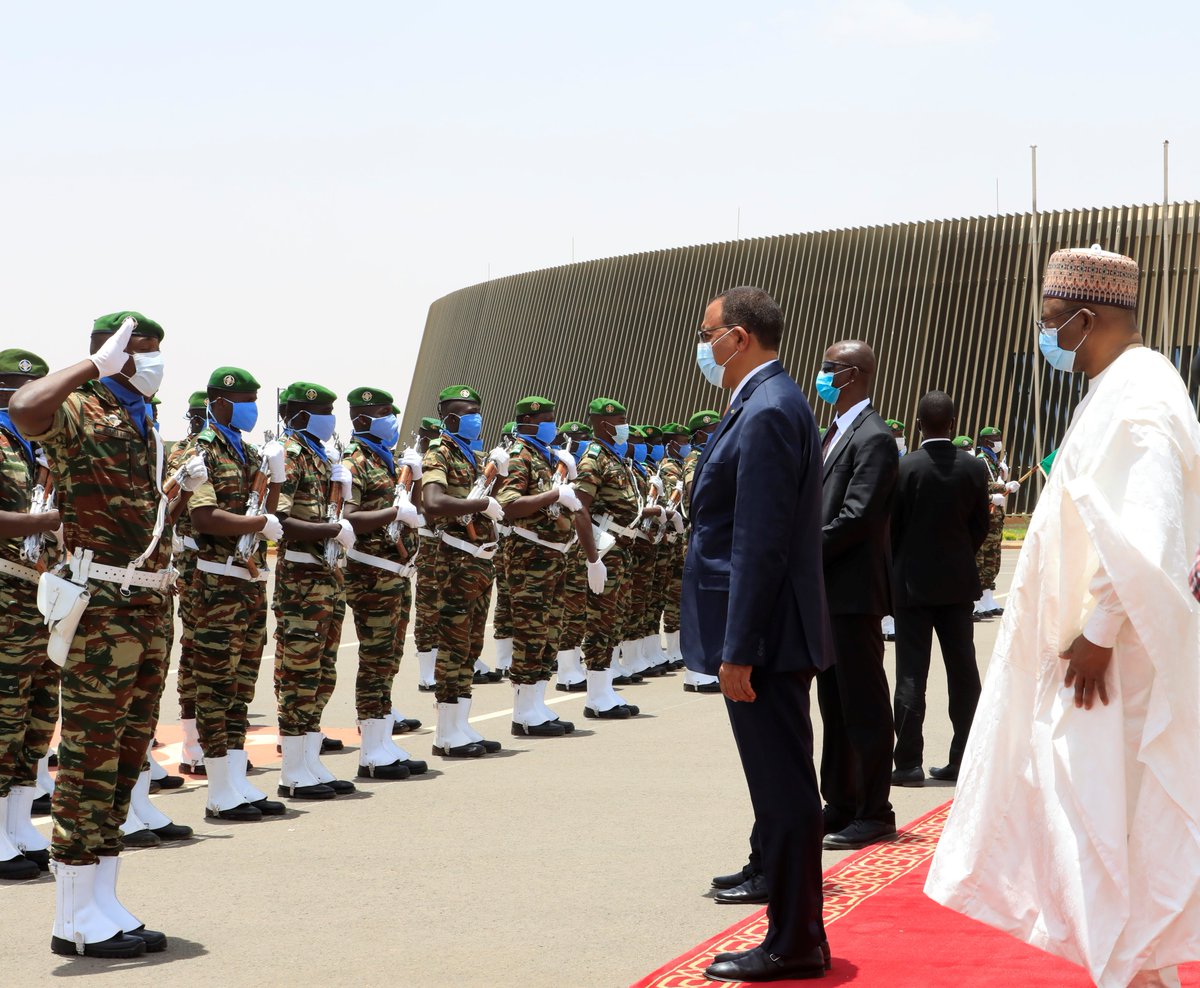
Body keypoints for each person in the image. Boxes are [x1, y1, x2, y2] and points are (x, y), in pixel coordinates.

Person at [926, 245, 1200, 987]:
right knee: (1104, 828)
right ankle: (1140, 974)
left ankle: (1133, 976)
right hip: (1101, 654)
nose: (1048, 338)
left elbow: (1148, 533)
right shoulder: (1122, 385)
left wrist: (1100, 634)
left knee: (1103, 827)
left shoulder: (1140, 396)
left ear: (1086, 316)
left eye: (1053, 322)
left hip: (1112, 665)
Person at [13, 313, 206, 958]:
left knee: (124, 759)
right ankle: (72, 918)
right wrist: (94, 365)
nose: (151, 363)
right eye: (140, 352)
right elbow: (25, 405)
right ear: (113, 354)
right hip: (101, 607)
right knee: (89, 756)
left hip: (148, 603)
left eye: (155, 352)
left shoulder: (145, 420)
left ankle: (102, 898)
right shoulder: (81, 408)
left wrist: (174, 497)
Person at [683, 286, 834, 983]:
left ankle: (796, 940)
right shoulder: (759, 402)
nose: (702, 344)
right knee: (778, 784)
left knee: (783, 787)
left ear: (738, 337)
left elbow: (760, 541)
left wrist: (738, 648)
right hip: (765, 631)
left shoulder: (770, 409)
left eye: (707, 332)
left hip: (765, 637)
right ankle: (790, 925)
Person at [186, 367, 287, 820]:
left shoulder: (246, 451)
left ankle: (236, 777)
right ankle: (218, 791)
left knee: (241, 686)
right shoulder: (199, 451)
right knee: (215, 686)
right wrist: (257, 524)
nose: (252, 409)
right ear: (220, 402)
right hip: (214, 584)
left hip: (246, 583)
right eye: (245, 400)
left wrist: (277, 481)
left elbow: (266, 510)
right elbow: (203, 517)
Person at [814, 340, 899, 851]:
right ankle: (841, 802)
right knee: (835, 707)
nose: (821, 376)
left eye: (830, 368)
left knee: (864, 705)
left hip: (853, 592)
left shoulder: (875, 437)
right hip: (828, 592)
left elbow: (858, 516)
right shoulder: (835, 432)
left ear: (853, 375)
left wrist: (801, 551)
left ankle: (875, 809)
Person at [889, 391, 989, 787]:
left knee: (911, 672)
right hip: (959, 584)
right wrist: (961, 554)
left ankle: (909, 762)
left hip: (913, 585)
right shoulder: (973, 467)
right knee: (963, 672)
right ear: (953, 423)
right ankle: (963, 757)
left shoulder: (905, 468)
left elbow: (892, 528)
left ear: (917, 424)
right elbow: (980, 524)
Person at [273, 381, 356, 799]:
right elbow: (279, 521)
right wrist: (332, 529)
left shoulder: (321, 457)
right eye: (325, 412)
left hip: (327, 579)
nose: (331, 420)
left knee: (322, 674)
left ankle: (309, 760)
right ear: (302, 415)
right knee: (299, 675)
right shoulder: (289, 453)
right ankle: (292, 770)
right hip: (302, 580)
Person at [340, 387, 427, 779]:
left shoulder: (387, 461)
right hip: (371, 574)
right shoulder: (354, 463)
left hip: (395, 574)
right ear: (361, 420)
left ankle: (383, 737)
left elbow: (415, 513)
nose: (391, 420)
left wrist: (418, 482)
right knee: (375, 660)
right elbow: (349, 518)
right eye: (382, 413)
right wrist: (396, 510)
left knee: (389, 659)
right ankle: (371, 751)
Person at [0, 349, 61, 881]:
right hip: (3, 592)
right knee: (1, 713)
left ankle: (16, 823)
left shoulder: (39, 446)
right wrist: (43, 519)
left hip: (41, 594)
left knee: (37, 712)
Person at [421, 385, 506, 757]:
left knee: (471, 644)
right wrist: (481, 502)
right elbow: (433, 503)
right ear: (451, 419)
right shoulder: (438, 452)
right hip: (454, 561)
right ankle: (445, 733)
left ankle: (461, 724)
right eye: (469, 412)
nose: (477, 418)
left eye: (478, 410)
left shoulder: (470, 454)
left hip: (478, 560)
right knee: (453, 645)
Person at [494, 396, 582, 736]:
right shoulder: (521, 456)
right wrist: (554, 495)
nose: (553, 425)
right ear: (529, 421)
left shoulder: (545, 457)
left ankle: (536, 703)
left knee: (548, 632)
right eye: (547, 419)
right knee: (531, 633)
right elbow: (509, 505)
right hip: (529, 558)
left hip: (552, 557)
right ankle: (523, 713)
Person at [571, 398, 650, 719]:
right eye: (621, 421)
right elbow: (579, 508)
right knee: (601, 622)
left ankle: (604, 689)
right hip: (605, 549)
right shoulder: (594, 458)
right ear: (604, 424)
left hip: (621, 548)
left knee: (614, 619)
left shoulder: (615, 457)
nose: (625, 426)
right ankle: (596, 696)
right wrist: (592, 559)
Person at [175, 391, 209, 776]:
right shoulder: (187, 452)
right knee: (194, 650)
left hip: (220, 564)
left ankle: (205, 736)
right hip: (191, 564)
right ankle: (191, 741)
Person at [681, 410, 721, 694]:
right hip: (703, 534)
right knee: (698, 603)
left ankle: (707, 665)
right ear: (698, 436)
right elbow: (696, 491)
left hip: (716, 536)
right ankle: (695, 672)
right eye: (712, 431)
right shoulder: (694, 459)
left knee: (714, 605)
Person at [555, 421, 592, 691]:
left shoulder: (583, 464)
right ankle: (566, 670)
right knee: (569, 607)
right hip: (564, 545)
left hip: (579, 544)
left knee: (579, 608)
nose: (584, 442)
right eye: (579, 438)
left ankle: (572, 664)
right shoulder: (560, 465)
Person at [973, 426, 1019, 618]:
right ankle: (977, 601)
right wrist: (1003, 485)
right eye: (994, 437)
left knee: (992, 560)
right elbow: (981, 485)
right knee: (981, 560)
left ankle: (987, 598)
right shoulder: (981, 461)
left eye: (999, 436)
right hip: (985, 517)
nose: (998, 440)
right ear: (985, 441)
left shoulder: (993, 461)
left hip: (995, 519)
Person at [411, 416, 442, 691]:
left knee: (445, 603)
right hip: (428, 540)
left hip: (444, 540)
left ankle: (436, 661)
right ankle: (425, 671)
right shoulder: (412, 465)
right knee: (428, 605)